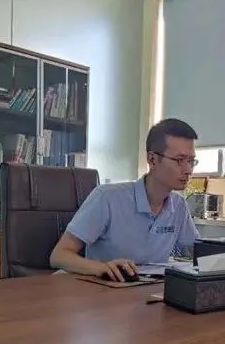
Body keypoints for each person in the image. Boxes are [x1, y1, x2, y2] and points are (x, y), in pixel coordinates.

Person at [49, 118, 200, 281]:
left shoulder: (179, 205)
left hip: (149, 289)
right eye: (180, 160)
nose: (188, 170)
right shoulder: (107, 197)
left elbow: (197, 251)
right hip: (104, 288)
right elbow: (59, 256)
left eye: (191, 161)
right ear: (152, 160)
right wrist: (102, 268)